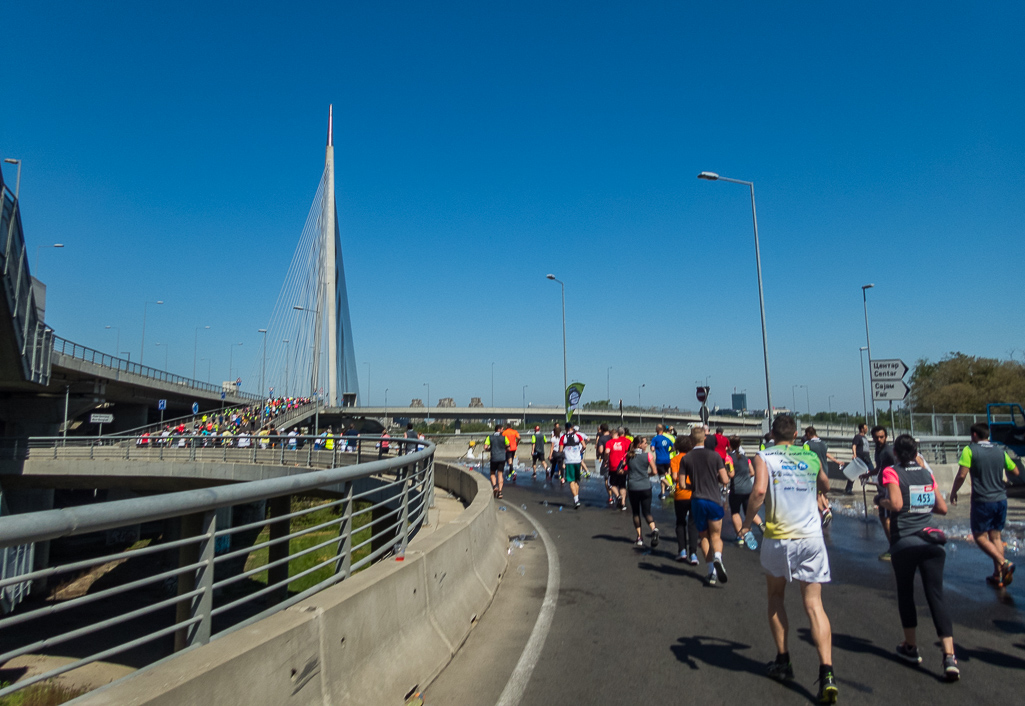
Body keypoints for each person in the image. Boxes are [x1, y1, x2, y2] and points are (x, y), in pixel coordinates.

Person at [743, 415, 837, 703]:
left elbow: (759, 491)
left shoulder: (764, 455)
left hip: (779, 537)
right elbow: (826, 485)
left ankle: (783, 660)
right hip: (811, 537)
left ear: (772, 433)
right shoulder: (809, 455)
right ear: (796, 434)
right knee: (814, 605)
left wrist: (747, 523)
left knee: (775, 596)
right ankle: (827, 673)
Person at [877, 434, 959, 680]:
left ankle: (911, 647)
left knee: (905, 593)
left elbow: (896, 503)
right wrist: (920, 505)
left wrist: (880, 499)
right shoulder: (927, 474)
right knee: (936, 595)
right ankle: (949, 656)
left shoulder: (891, 472)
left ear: (896, 454)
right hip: (932, 542)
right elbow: (942, 508)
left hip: (906, 542)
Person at [950, 422, 1020, 588]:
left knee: (980, 537)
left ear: (974, 435)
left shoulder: (970, 450)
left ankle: (1004, 563)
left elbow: (961, 475)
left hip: (983, 500)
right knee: (995, 537)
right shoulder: (999, 450)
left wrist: (954, 492)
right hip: (1001, 499)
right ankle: (998, 575)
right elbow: (1016, 471)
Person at [683, 426, 730, 586]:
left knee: (703, 536)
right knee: (716, 535)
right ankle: (718, 556)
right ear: (704, 438)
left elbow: (682, 484)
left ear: (691, 439)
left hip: (697, 500)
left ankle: (711, 572)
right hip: (714, 499)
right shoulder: (715, 456)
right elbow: (725, 480)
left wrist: (694, 486)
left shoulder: (686, 458)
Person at [728, 436, 763, 543]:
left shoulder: (729, 458)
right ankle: (761, 526)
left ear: (729, 445)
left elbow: (731, 474)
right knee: (749, 511)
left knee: (735, 512)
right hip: (748, 488)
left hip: (736, 489)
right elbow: (752, 472)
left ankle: (740, 536)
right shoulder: (745, 457)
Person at [625, 436, 659, 547]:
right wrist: (646, 475)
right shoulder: (648, 455)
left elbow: (621, 469)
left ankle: (639, 537)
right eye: (645, 443)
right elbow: (654, 471)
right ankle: (653, 529)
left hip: (633, 487)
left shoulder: (628, 456)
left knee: (636, 512)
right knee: (647, 512)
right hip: (645, 486)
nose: (646, 445)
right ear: (639, 444)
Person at [671, 436, 699, 564]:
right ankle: (693, 554)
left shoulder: (675, 460)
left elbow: (675, 477)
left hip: (681, 494)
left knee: (680, 522)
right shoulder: (695, 459)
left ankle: (682, 550)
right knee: (693, 525)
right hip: (694, 494)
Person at [804, 427, 840, 526]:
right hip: (825, 469)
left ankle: (825, 512)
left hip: (813, 471)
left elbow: (805, 457)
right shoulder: (824, 444)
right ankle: (826, 509)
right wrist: (836, 461)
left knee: (816, 494)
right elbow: (825, 454)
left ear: (808, 434)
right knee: (822, 492)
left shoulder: (807, 444)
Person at [872, 426, 897, 560]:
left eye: (881, 437)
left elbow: (896, 467)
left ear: (886, 437)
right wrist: (869, 473)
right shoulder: (878, 450)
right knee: (884, 517)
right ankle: (894, 545)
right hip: (882, 487)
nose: (879, 439)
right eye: (876, 437)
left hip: (889, 489)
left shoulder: (888, 451)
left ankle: (894, 548)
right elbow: (879, 468)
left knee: (886, 518)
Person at [605, 427, 631, 511]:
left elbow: (607, 452)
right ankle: (623, 503)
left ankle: (617, 496)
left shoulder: (609, 442)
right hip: (623, 466)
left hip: (613, 466)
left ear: (611, 435)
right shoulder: (624, 442)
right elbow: (629, 452)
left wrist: (606, 459)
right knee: (622, 485)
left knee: (611, 484)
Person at [562, 424, 586, 509]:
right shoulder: (578, 436)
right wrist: (580, 451)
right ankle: (577, 497)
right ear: (572, 428)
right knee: (576, 480)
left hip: (569, 461)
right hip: (577, 460)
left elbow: (560, 450)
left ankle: (576, 500)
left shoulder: (563, 437)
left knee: (571, 481)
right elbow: (584, 446)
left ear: (565, 428)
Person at [847, 423, 873, 494]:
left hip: (867, 458)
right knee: (854, 473)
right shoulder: (857, 437)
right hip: (860, 457)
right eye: (865, 428)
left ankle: (879, 488)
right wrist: (855, 454)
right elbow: (854, 445)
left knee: (873, 471)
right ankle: (848, 488)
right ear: (861, 429)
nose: (866, 429)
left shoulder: (865, 438)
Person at [484, 424, 508, 499]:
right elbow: (508, 445)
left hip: (494, 458)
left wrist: (489, 449)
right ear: (499, 429)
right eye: (502, 429)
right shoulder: (504, 438)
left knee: (492, 473)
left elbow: (485, 447)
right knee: (500, 474)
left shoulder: (489, 437)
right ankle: (500, 493)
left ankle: (494, 486)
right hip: (502, 458)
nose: (503, 430)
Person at [651, 424, 674, 499]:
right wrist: (669, 451)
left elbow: (652, 449)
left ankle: (671, 486)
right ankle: (663, 493)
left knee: (661, 477)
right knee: (664, 476)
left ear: (657, 430)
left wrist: (654, 449)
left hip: (660, 460)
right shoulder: (667, 438)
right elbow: (674, 447)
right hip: (667, 459)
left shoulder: (655, 438)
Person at [595, 424, 613, 505]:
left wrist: (598, 453)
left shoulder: (601, 438)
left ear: (601, 430)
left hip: (606, 460)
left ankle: (610, 497)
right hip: (615, 459)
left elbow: (601, 451)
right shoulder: (611, 436)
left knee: (606, 478)